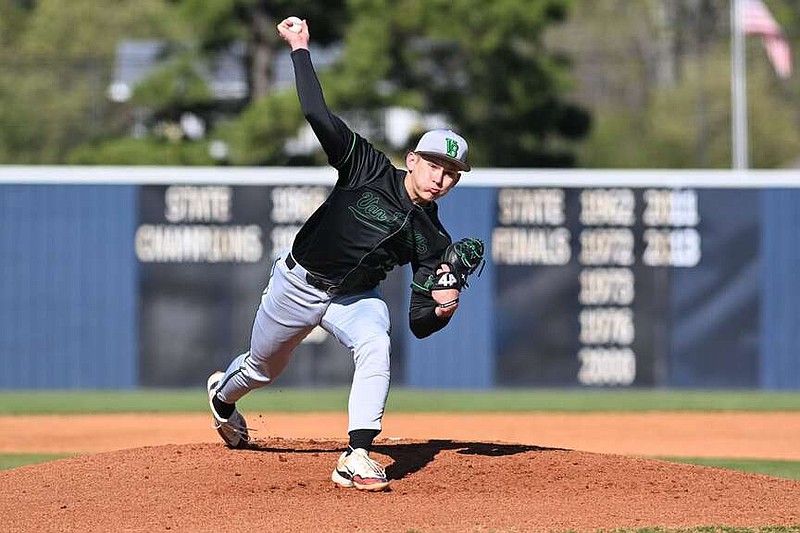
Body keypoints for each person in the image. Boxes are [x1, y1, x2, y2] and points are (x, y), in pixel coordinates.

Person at [206, 16, 475, 492]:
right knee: (261, 370)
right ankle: (223, 400)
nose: (440, 178)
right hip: (297, 283)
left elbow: (419, 321)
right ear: (412, 160)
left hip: (355, 298)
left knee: (377, 343)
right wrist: (299, 48)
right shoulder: (368, 167)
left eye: (452, 173)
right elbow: (316, 114)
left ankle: (357, 454)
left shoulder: (434, 238)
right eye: (434, 164)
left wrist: (444, 307)